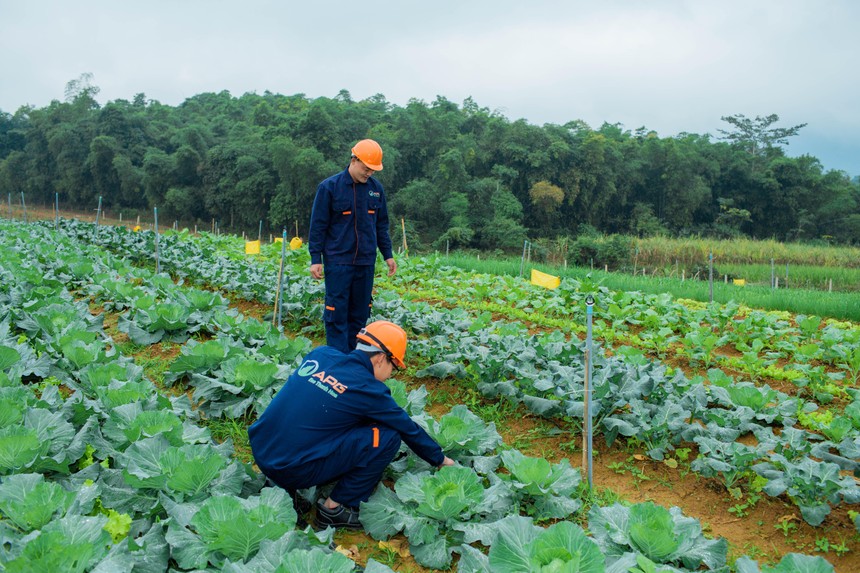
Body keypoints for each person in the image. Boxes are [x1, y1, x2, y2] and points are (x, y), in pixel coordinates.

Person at [248, 320, 455, 529]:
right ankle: (335, 509)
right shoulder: (368, 389)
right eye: (394, 367)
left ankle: (280, 485)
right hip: (292, 468)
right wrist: (441, 460)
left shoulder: (321, 354)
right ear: (381, 358)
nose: (392, 374)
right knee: (387, 437)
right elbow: (407, 428)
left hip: (262, 449)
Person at [308, 139, 397, 353]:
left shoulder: (376, 190)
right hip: (338, 263)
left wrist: (388, 255)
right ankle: (338, 361)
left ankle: (354, 360)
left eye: (373, 171)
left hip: (365, 263)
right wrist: (315, 259)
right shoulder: (329, 187)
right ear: (354, 160)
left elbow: (381, 225)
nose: (369, 174)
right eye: (366, 169)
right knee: (336, 313)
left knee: (360, 315)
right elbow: (318, 225)